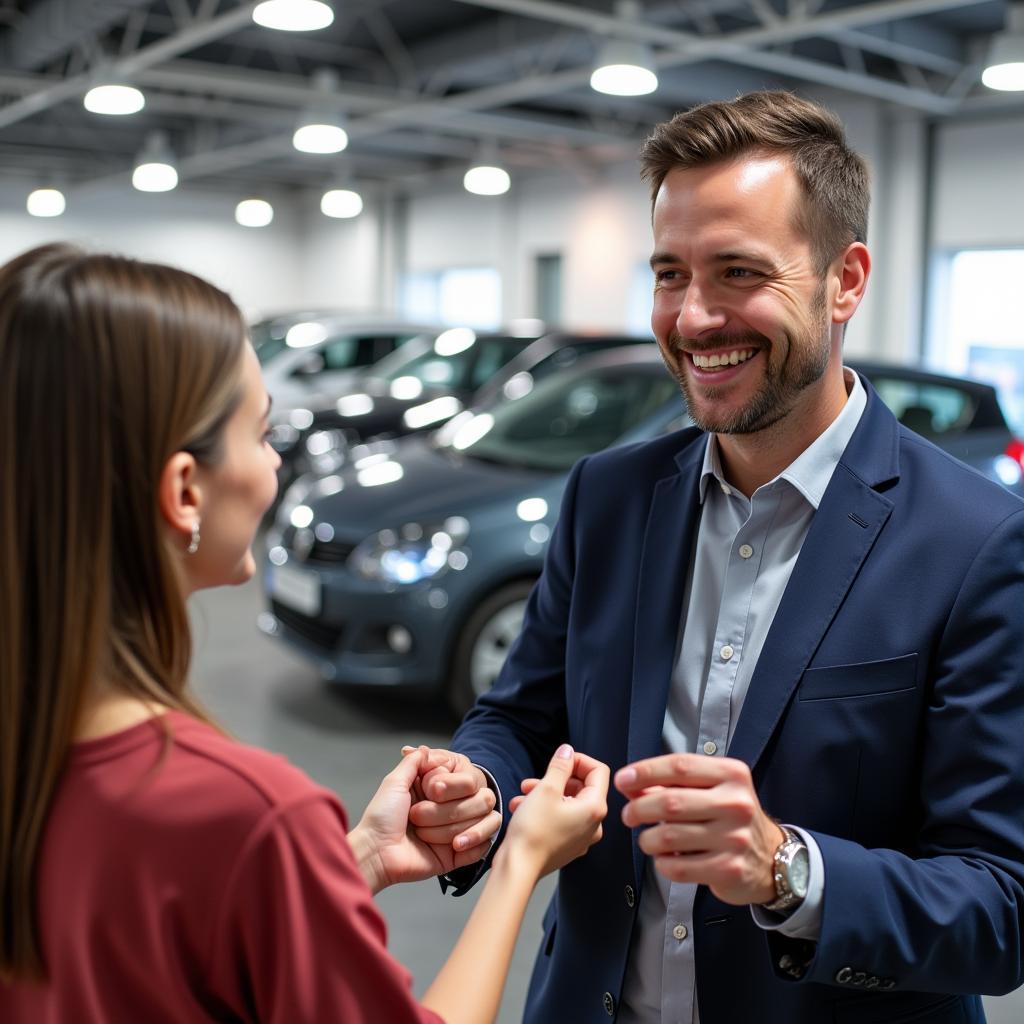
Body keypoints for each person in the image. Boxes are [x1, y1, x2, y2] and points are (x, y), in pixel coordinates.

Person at [407, 90, 1024, 1022]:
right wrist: (478, 785)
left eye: (737, 272)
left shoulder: (976, 541)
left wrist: (786, 869)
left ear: (844, 279)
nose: (693, 319)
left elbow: (1000, 906)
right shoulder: (607, 499)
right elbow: (520, 715)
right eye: (669, 275)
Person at [0, 243, 609, 1024]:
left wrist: (349, 863)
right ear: (185, 490)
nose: (273, 469)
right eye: (261, 435)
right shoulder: (243, 814)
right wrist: (522, 860)